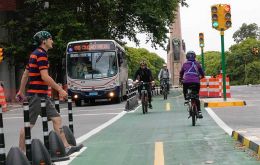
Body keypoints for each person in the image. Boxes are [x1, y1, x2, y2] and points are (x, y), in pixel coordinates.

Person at [16, 31, 82, 155]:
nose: (53, 41)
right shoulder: (41, 55)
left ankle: (66, 147)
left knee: (56, 119)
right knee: (28, 125)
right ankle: (20, 154)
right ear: (44, 41)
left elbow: (25, 75)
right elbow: (45, 77)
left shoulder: (33, 55)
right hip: (36, 96)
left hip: (41, 96)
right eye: (51, 39)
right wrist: (60, 89)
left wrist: (21, 90)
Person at [179, 51, 205, 118]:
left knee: (185, 88)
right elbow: (202, 74)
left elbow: (181, 73)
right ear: (195, 56)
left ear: (187, 57)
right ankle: (199, 111)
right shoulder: (198, 64)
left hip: (186, 82)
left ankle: (186, 99)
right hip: (196, 82)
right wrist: (200, 77)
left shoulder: (185, 64)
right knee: (196, 97)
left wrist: (181, 79)